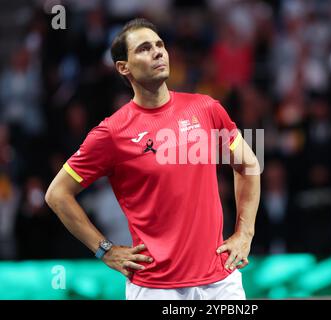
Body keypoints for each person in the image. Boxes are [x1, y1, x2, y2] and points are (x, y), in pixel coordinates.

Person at [45, 18, 261, 300]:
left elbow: (249, 164)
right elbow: (56, 194)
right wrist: (105, 250)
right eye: (145, 48)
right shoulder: (111, 132)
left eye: (160, 45)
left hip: (221, 282)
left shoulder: (206, 108)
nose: (158, 52)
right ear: (123, 67)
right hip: (154, 288)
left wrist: (245, 233)